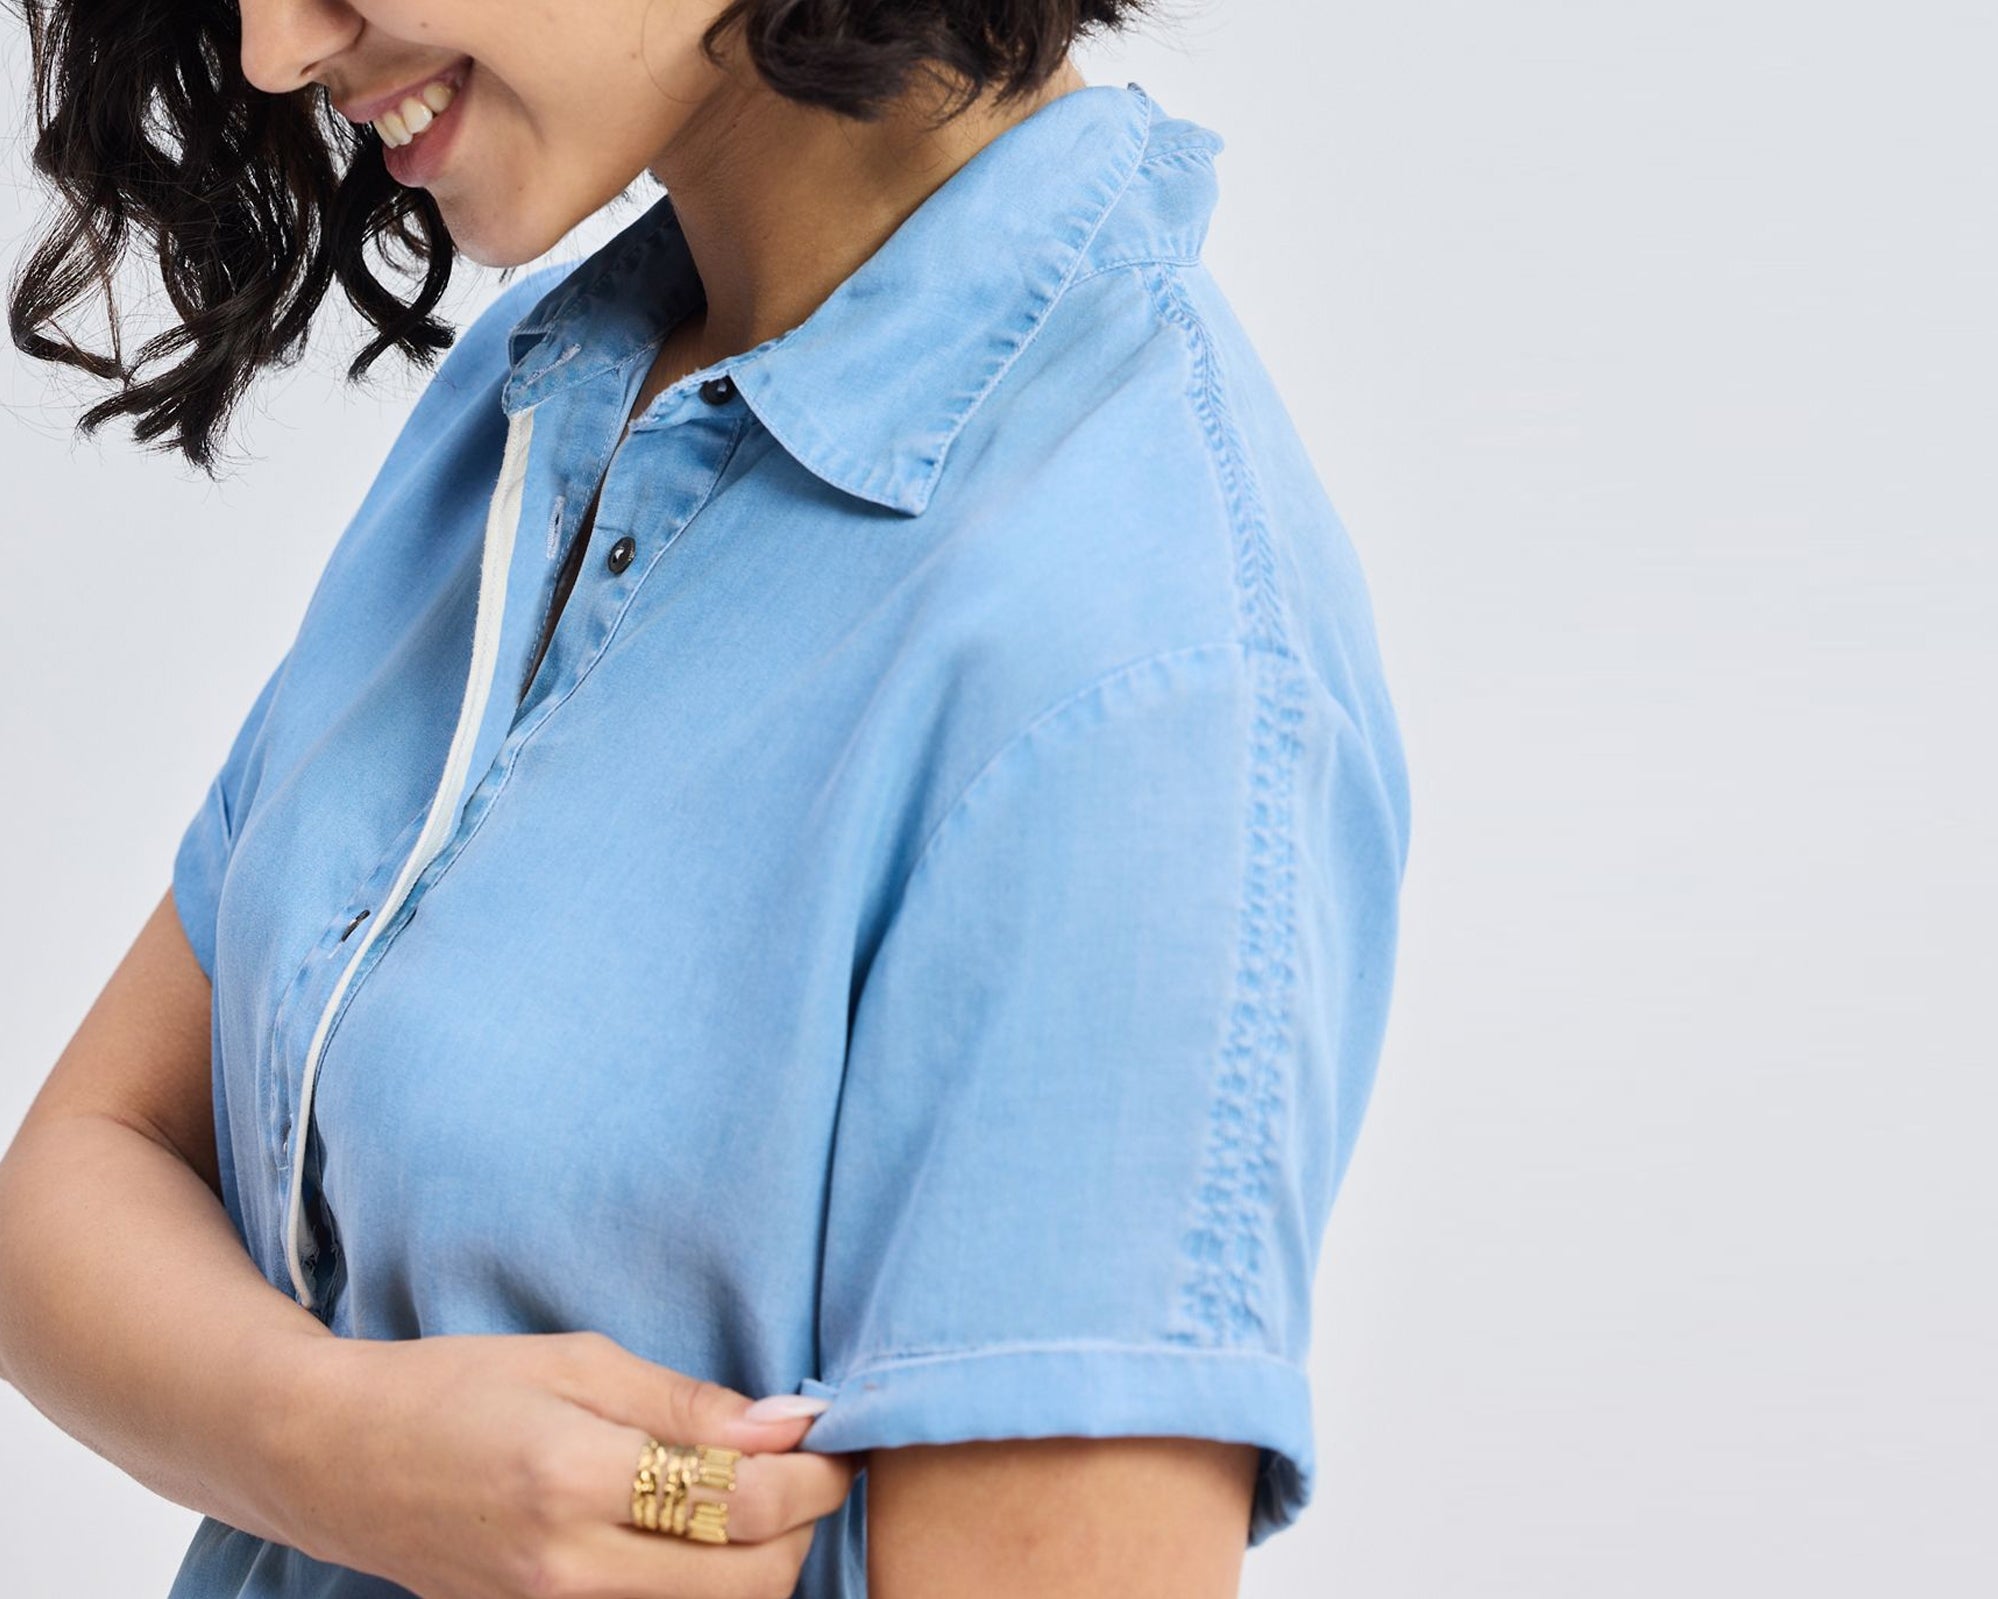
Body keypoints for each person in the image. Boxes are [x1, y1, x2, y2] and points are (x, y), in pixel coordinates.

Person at [0, 2, 1412, 1596]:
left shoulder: (1138, 661)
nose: (268, 45)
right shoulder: (542, 399)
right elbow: (78, 1176)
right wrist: (347, 1449)